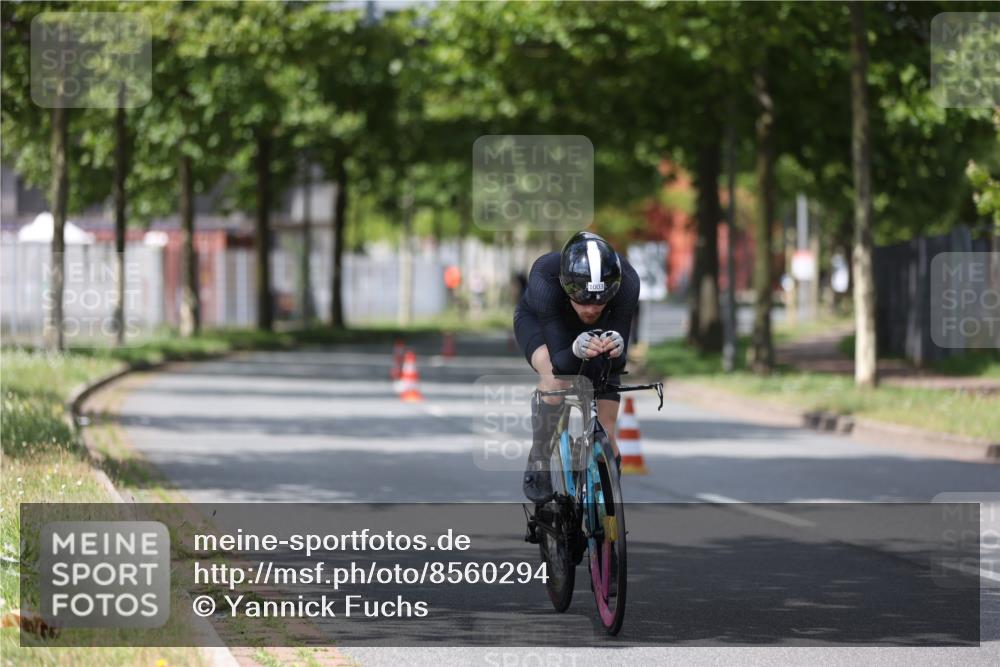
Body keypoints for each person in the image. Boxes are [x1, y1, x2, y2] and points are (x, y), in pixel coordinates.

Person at [513, 231, 640, 503]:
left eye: (601, 300)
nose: (591, 309)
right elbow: (561, 363)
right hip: (541, 323)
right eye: (582, 299)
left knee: (606, 427)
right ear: (566, 284)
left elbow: (618, 362)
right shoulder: (544, 276)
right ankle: (539, 455)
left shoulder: (628, 281)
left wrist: (616, 346)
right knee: (556, 378)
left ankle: (606, 510)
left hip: (597, 332)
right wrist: (574, 348)